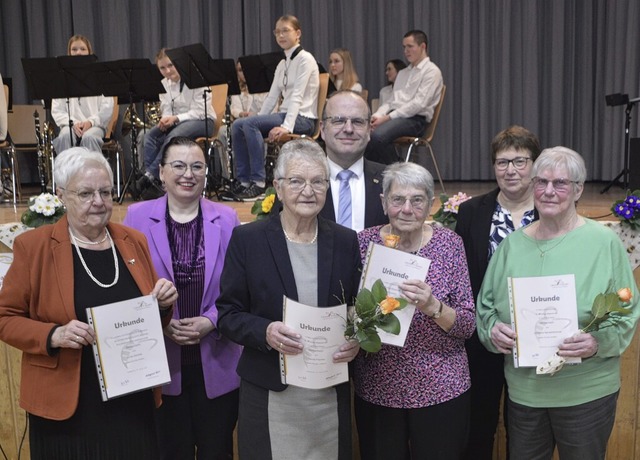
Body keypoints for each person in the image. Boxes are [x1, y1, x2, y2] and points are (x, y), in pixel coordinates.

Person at [0, 147, 178, 459]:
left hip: (132, 403)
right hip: (67, 408)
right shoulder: (34, 247)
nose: (98, 201)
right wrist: (53, 335)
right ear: (61, 195)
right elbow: (5, 317)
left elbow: (148, 319)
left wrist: (162, 305)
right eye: (85, 193)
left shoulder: (132, 240)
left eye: (105, 192)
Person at [476, 147, 640, 460]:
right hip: (526, 395)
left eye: (561, 183)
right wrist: (493, 331)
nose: (549, 191)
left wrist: (596, 342)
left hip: (587, 393)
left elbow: (627, 312)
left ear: (578, 189)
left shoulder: (603, 243)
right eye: (541, 182)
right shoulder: (511, 246)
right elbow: (486, 309)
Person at [217, 139, 362, 459]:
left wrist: (356, 339)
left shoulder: (344, 241)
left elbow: (356, 309)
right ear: (278, 188)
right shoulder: (247, 240)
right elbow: (228, 314)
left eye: (318, 181)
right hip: (270, 393)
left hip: (327, 392)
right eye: (296, 181)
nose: (308, 191)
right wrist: (265, 331)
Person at [123, 137, 242, 459]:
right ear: (161, 172)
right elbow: (126, 289)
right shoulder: (135, 216)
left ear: (206, 173)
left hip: (217, 359)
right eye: (178, 166)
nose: (187, 174)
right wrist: (160, 322)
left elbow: (241, 287)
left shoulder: (228, 217)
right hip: (159, 361)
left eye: (196, 166)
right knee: (168, 451)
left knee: (216, 450)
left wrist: (211, 321)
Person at [354, 162, 475, 459]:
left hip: (441, 388)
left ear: (431, 205)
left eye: (417, 200)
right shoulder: (362, 244)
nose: (406, 209)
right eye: (397, 199)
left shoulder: (450, 245)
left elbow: (467, 325)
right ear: (384, 203)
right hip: (378, 387)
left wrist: (433, 306)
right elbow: (345, 310)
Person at [455, 125, 541, 460]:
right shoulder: (472, 212)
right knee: (479, 428)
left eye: (520, 161)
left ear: (535, 164)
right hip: (484, 337)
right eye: (503, 162)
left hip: (536, 338)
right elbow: (464, 276)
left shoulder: (549, 209)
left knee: (526, 433)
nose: (511, 170)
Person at [230, 15, 319, 201]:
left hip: (302, 119)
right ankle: (244, 181)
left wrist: (286, 126)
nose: (280, 35)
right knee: (238, 125)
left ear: (298, 33)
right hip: (285, 115)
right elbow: (272, 97)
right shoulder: (282, 63)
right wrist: (256, 121)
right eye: (277, 32)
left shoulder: (305, 59)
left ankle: (259, 183)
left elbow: (297, 96)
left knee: (249, 124)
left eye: (285, 30)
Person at [139, 48, 215, 192]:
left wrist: (176, 119)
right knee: (150, 136)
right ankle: (157, 183)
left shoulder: (196, 79)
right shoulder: (164, 84)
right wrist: (165, 119)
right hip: (177, 122)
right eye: (162, 68)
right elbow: (166, 108)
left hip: (203, 121)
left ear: (177, 63)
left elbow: (199, 111)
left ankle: (151, 176)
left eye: (170, 66)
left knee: (173, 136)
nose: (167, 71)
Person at [364, 30, 443, 165]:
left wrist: (387, 118)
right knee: (364, 136)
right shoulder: (403, 73)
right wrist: (377, 116)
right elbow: (391, 101)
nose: (406, 51)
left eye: (410, 46)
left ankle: (397, 172)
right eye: (404, 47)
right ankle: (384, 174)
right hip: (395, 116)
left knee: (377, 137)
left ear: (423, 46)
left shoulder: (431, 71)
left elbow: (419, 104)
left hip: (415, 120)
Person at [319, 90, 388, 231]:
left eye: (357, 122)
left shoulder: (390, 181)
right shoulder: (298, 183)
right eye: (338, 120)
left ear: (369, 130)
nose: (349, 129)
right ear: (322, 129)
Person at [51, 35, 114, 153]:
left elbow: (107, 108)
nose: (78, 52)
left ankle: (92, 171)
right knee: (65, 136)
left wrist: (90, 122)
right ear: (69, 53)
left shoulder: (100, 76)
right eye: (74, 49)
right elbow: (57, 110)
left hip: (95, 125)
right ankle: (66, 171)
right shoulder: (61, 77)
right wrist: (73, 123)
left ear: (89, 52)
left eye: (82, 49)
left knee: (89, 137)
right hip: (70, 126)